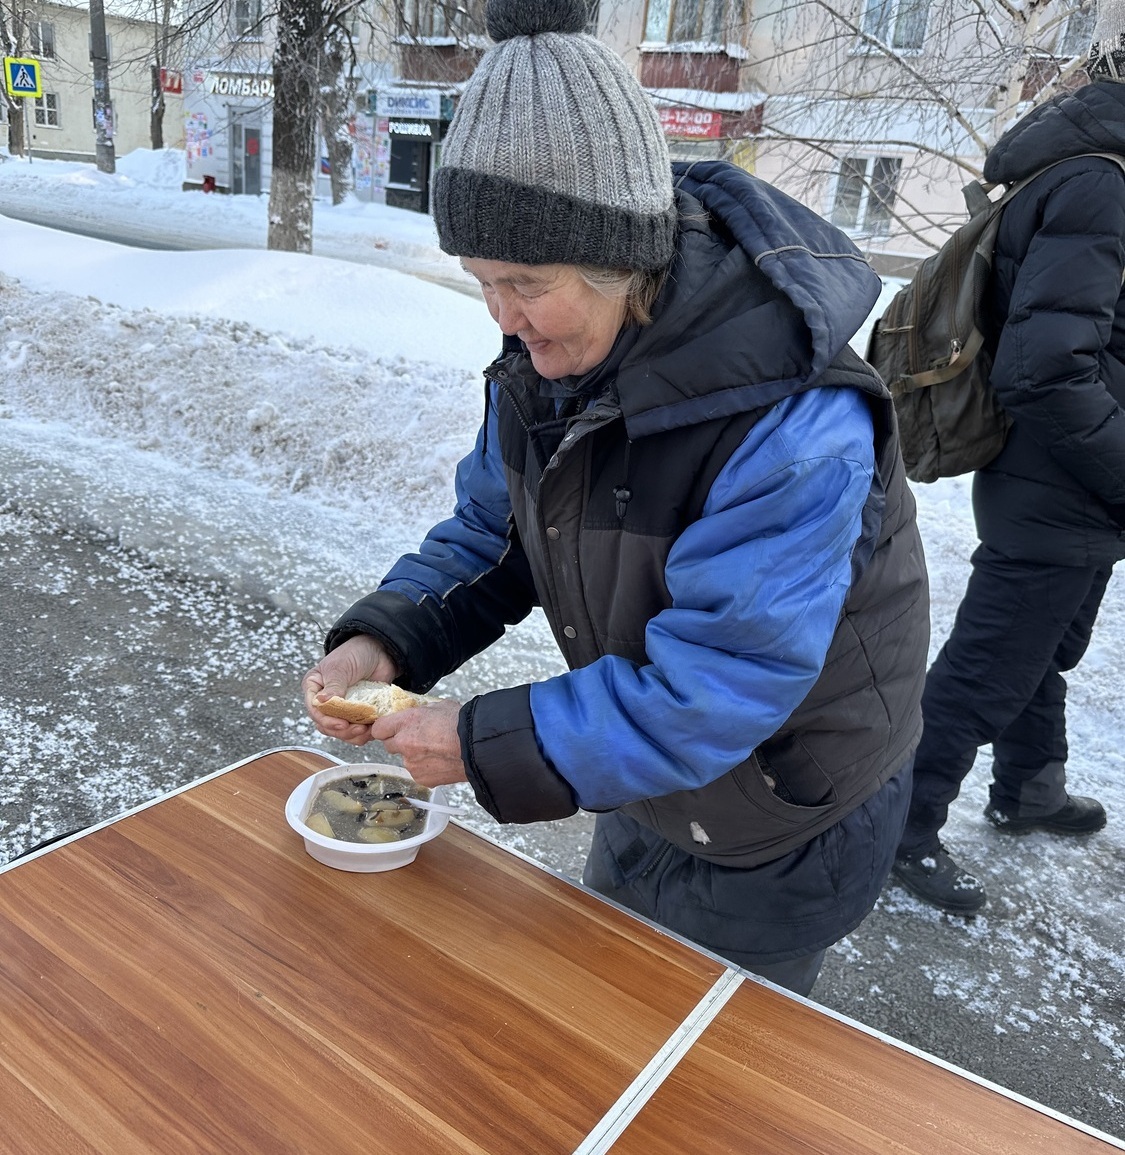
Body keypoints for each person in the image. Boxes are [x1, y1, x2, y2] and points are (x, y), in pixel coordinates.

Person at [304, 0, 930, 997]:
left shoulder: (791, 420)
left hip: (781, 814)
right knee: (601, 998)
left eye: (526, 281)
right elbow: (495, 528)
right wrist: (392, 637)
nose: (504, 320)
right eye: (480, 283)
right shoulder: (548, 360)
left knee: (702, 1083)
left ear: (621, 258)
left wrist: (477, 742)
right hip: (642, 775)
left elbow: (718, 686)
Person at [891, 12, 1125, 914]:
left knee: (1044, 650)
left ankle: (1029, 787)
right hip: (1059, 484)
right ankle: (895, 826)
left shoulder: (1088, 173)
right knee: (987, 667)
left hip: (1073, 486)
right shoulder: (1098, 188)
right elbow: (1045, 369)